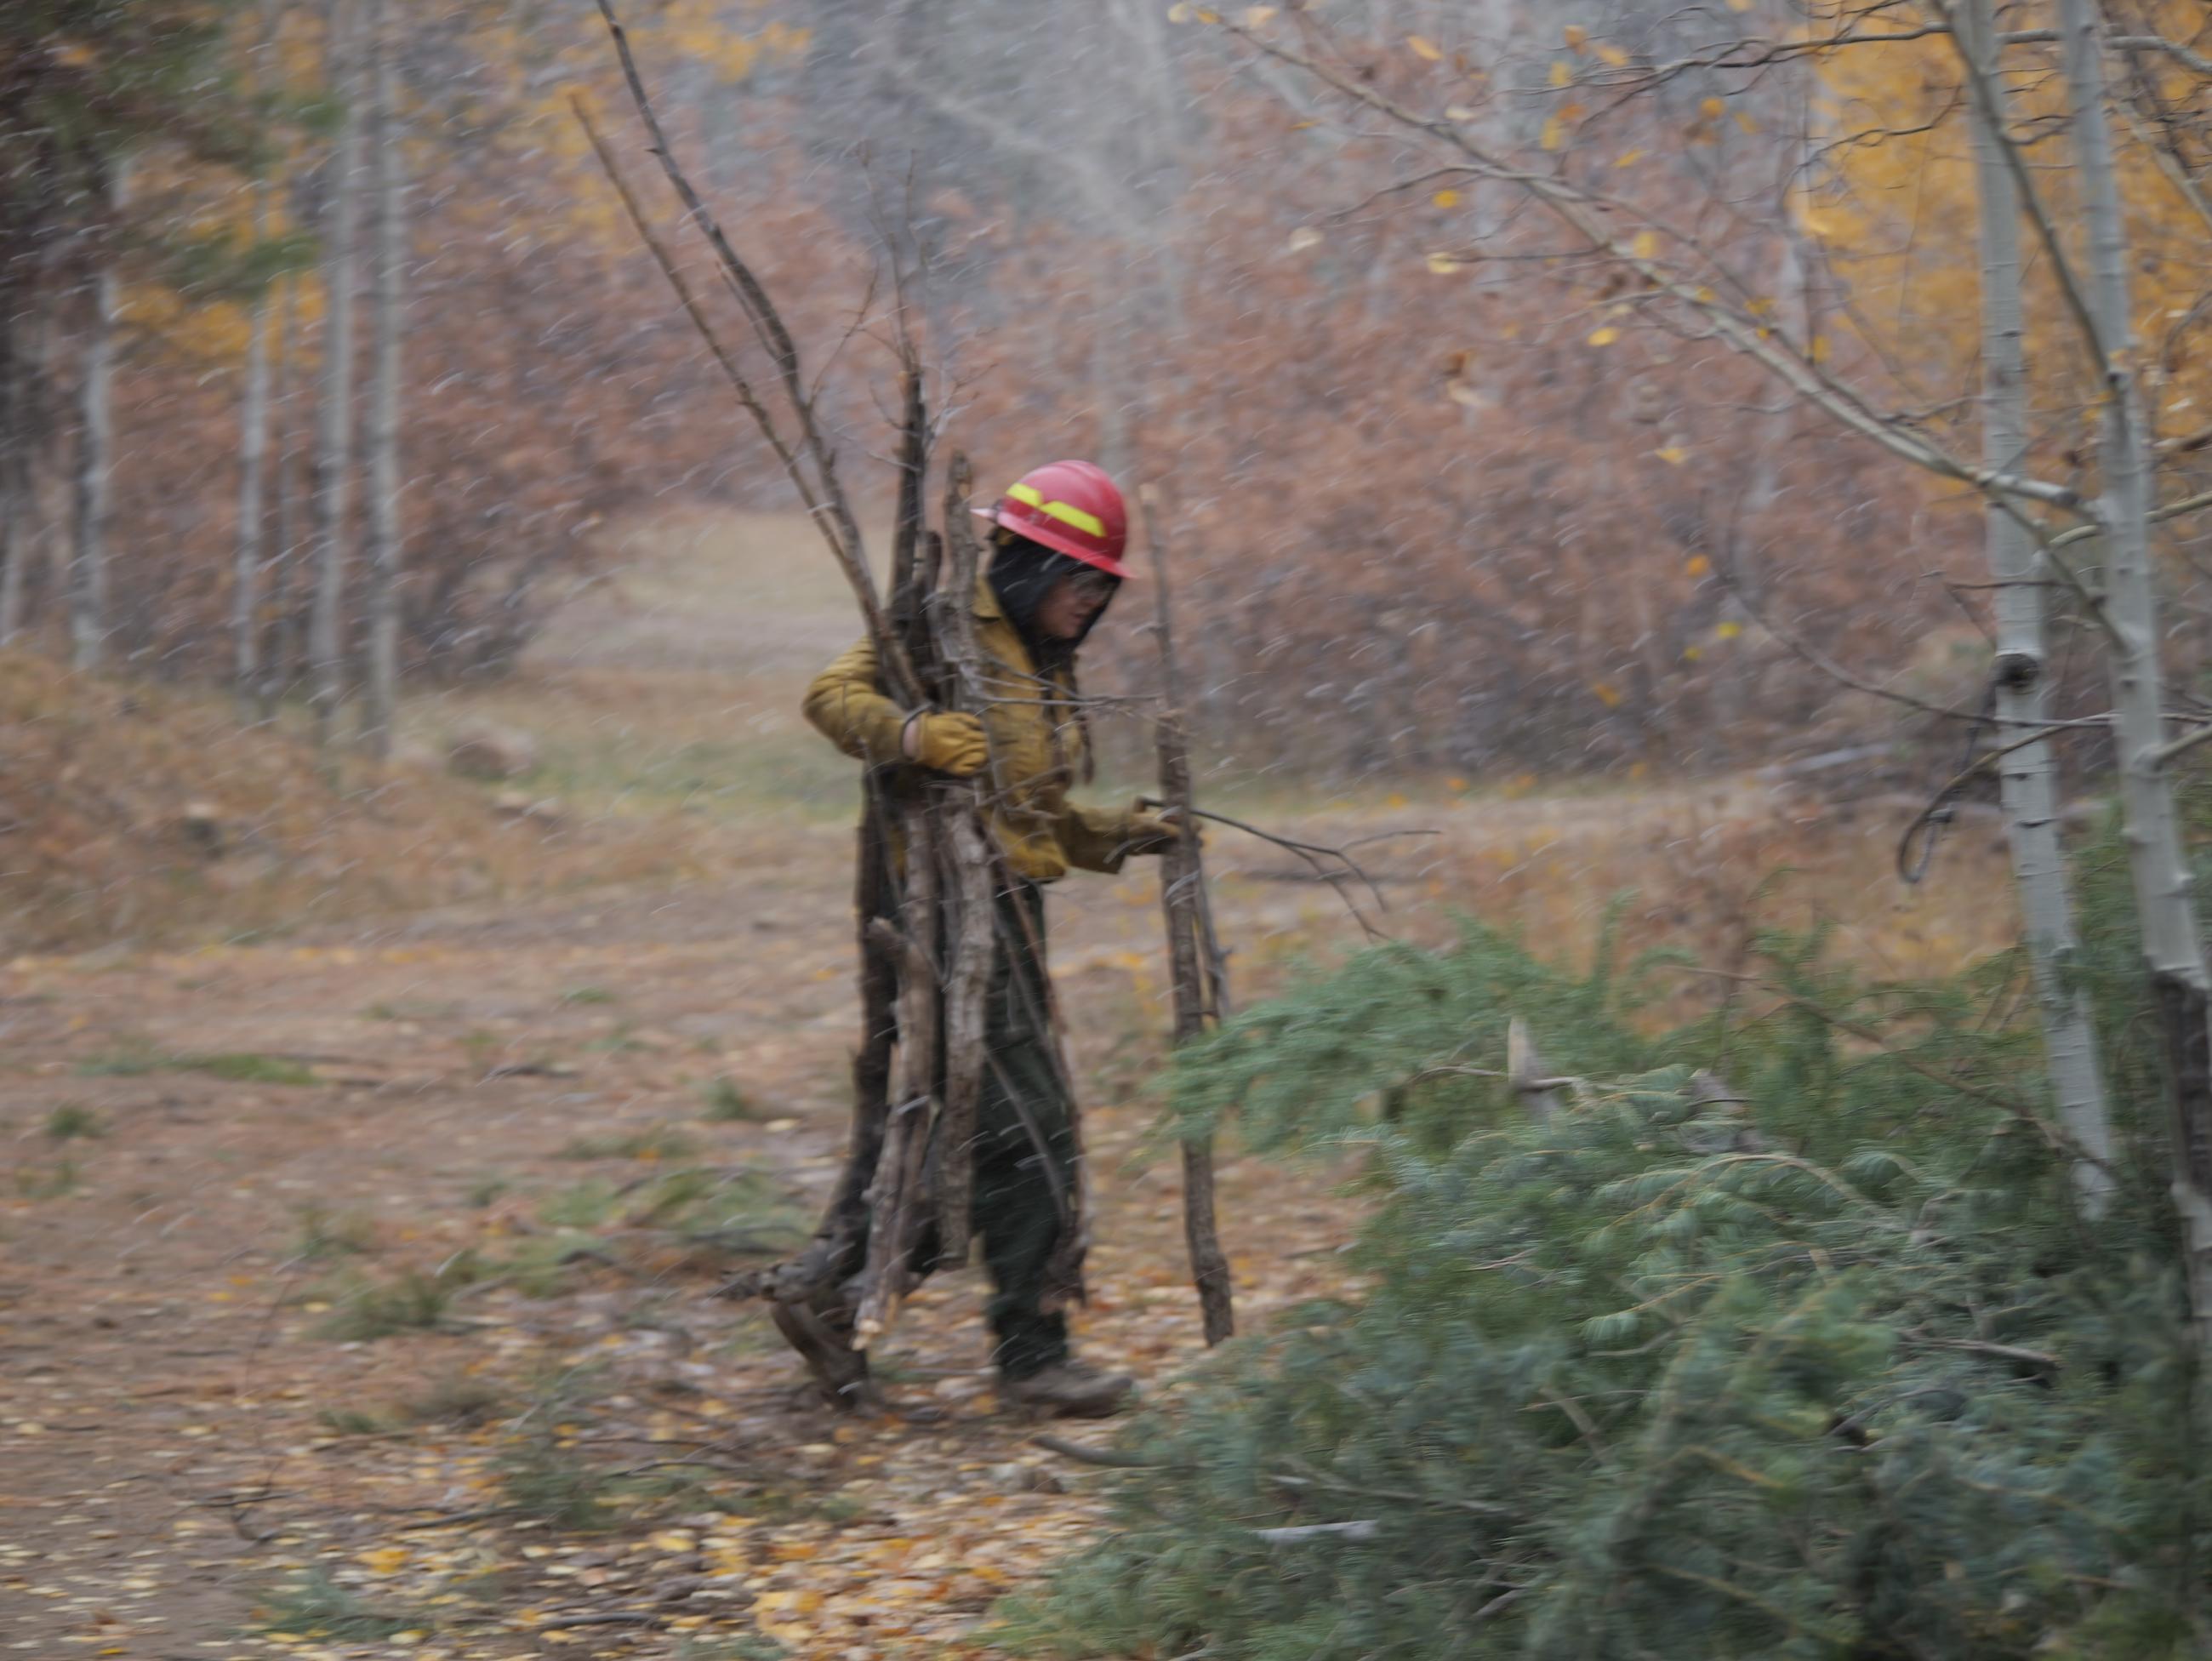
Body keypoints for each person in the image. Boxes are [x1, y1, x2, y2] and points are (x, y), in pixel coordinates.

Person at [801, 459, 1182, 1418]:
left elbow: (1032, 814)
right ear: (1025, 563)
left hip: (1013, 905)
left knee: (982, 1122)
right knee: (1030, 1121)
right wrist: (912, 735)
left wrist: (1119, 831)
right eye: (1077, 578)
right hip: (941, 908)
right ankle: (1024, 1352)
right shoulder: (940, 626)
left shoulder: (1045, 659)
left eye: (1101, 585)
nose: (1091, 600)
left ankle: (836, 1289)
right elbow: (829, 697)